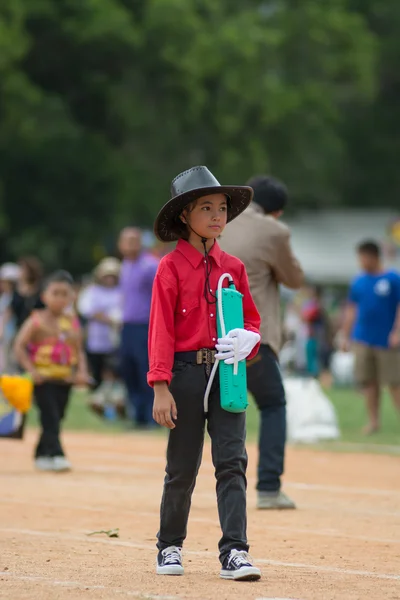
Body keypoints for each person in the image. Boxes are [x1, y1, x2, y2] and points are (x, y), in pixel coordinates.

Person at [148, 166, 262, 581]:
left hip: (229, 372)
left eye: (222, 209)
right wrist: (161, 385)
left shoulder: (234, 265)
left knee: (232, 461)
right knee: (182, 465)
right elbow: (160, 327)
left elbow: (251, 318)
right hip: (185, 374)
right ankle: (170, 546)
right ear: (184, 216)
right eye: (206, 208)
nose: (218, 216)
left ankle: (235, 552)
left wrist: (251, 339)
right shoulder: (170, 268)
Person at [220, 175, 304, 510]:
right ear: (277, 212)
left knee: (210, 409)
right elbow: (294, 279)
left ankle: (195, 483)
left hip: (208, 334)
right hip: (251, 338)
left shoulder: (216, 218)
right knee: (272, 405)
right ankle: (268, 487)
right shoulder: (274, 231)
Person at [14, 270, 90, 471]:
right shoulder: (36, 320)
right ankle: (56, 454)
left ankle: (41, 454)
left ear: (71, 297)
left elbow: (78, 350)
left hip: (65, 379)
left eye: (65, 294)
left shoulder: (73, 323)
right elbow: (19, 346)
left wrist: (82, 372)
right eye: (55, 293)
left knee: (57, 416)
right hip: (43, 379)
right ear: (44, 296)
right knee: (51, 416)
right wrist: (31, 371)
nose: (60, 298)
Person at [340, 240, 400, 434]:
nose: (361, 262)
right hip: (363, 339)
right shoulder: (358, 281)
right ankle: (373, 422)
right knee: (369, 382)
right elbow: (351, 309)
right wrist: (345, 335)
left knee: (394, 382)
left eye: (364, 257)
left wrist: (397, 331)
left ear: (374, 257)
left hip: (387, 340)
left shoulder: (392, 278)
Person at [119, 227, 158, 427]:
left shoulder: (150, 266)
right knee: (128, 369)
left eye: (134, 240)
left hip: (145, 325)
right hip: (126, 325)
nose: (130, 245)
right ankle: (137, 416)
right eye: (127, 241)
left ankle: (152, 416)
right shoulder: (124, 265)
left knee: (145, 368)